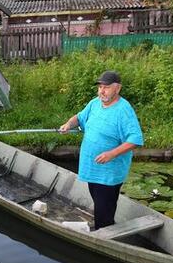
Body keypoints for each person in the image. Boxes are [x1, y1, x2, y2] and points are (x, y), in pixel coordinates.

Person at [59, 71, 144, 230]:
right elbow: (79, 117)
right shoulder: (94, 103)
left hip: (109, 173)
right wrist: (68, 125)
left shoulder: (123, 110)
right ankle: (102, 228)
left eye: (106, 87)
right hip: (93, 168)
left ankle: (104, 237)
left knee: (104, 211)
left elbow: (135, 139)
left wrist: (111, 154)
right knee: (100, 204)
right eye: (100, 87)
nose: (101, 91)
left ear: (117, 89)